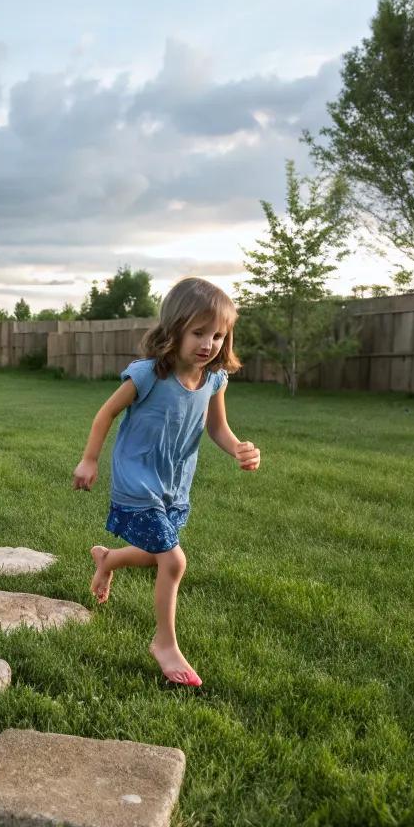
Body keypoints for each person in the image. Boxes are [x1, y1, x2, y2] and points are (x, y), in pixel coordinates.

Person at [72, 277, 260, 688]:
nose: (208, 343)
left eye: (218, 335)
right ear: (174, 328)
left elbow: (218, 429)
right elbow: (105, 415)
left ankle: (109, 560)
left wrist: (239, 448)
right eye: (198, 332)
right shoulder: (146, 375)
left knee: (155, 554)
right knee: (173, 560)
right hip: (137, 481)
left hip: (175, 485)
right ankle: (164, 642)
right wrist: (89, 460)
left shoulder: (214, 380)